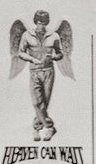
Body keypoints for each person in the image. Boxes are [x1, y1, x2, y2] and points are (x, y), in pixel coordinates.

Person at [15, 10, 65, 142]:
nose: (40, 25)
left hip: (48, 71)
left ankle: (36, 129)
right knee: (37, 102)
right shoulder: (27, 35)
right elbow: (20, 53)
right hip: (34, 71)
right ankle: (50, 127)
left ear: (46, 23)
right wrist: (32, 59)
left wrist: (54, 56)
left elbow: (60, 53)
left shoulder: (54, 36)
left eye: (43, 23)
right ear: (35, 22)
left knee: (45, 102)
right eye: (38, 22)